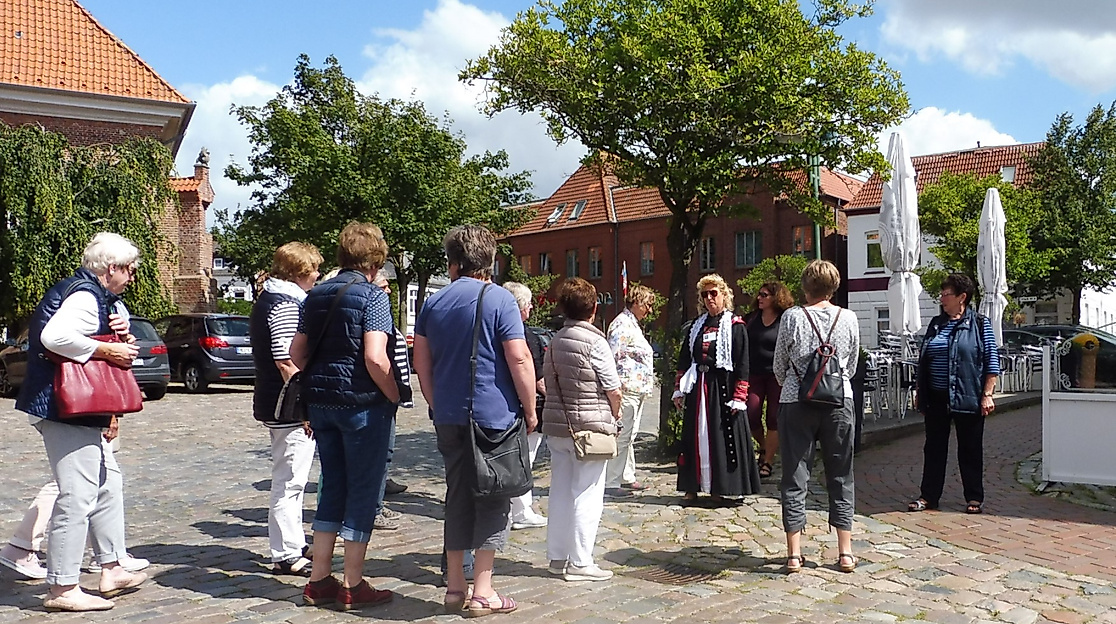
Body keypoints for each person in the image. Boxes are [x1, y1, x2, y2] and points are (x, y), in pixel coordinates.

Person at [14, 232, 149, 611]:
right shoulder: (86, 296)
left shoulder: (92, 295)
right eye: (131, 270)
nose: (132, 278)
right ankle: (63, 588)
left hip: (71, 406)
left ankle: (112, 567)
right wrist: (109, 348)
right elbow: (54, 337)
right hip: (64, 407)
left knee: (104, 484)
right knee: (77, 496)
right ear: (113, 268)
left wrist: (114, 335)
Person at [413, 224, 537, 617]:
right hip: (494, 415)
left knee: (456, 495)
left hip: (449, 414)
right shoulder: (499, 299)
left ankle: (453, 588)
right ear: (490, 259)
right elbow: (518, 358)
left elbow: (421, 362)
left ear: (452, 261)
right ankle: (483, 590)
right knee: (494, 498)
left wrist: (437, 402)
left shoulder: (432, 303)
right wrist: (531, 409)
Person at [291, 222, 400, 611]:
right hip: (361, 404)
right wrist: (395, 394)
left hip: (321, 404)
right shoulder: (373, 297)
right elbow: (375, 356)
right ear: (375, 259)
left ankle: (318, 578)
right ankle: (353, 583)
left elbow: (297, 352)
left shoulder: (316, 295)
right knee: (364, 490)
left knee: (332, 485)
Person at [773, 260, 861, 574]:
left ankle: (794, 554)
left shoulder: (793, 317)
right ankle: (845, 551)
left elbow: (779, 365)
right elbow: (850, 366)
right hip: (839, 402)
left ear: (805, 287)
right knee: (841, 474)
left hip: (797, 402)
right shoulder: (848, 318)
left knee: (795, 476)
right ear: (833, 287)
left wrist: (798, 383)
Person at [249, 242, 322, 577]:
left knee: (291, 478)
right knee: (290, 480)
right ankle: (286, 552)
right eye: (313, 269)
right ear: (299, 272)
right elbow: (285, 360)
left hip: (277, 402)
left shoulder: (272, 299)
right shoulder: (285, 304)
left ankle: (292, 542)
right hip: (286, 406)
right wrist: (305, 404)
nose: (317, 275)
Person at [542, 278, 622, 582]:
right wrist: (615, 417)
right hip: (590, 428)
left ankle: (557, 556)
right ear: (594, 307)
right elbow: (613, 389)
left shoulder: (555, 340)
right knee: (587, 494)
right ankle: (581, 561)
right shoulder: (595, 342)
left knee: (560, 491)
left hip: (558, 427)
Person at [908, 273, 1000, 515]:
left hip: (968, 395)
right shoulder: (936, 324)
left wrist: (987, 394)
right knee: (934, 448)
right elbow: (924, 359)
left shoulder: (980, 324)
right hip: (936, 397)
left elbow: (992, 360)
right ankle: (928, 496)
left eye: (946, 294)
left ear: (962, 297)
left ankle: (974, 497)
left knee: (970, 449)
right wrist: (921, 390)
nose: (942, 298)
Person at [672, 274, 760, 506]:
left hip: (722, 388)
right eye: (705, 294)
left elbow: (743, 363)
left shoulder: (735, 326)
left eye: (714, 293)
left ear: (724, 295)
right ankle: (692, 485)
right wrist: (679, 389)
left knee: (719, 437)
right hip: (697, 386)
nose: (709, 298)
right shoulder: (696, 326)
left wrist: (740, 395)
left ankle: (719, 487)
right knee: (694, 436)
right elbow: (684, 359)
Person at [502, 281, 548, 530]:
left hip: (502, 404)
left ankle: (512, 508)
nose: (530, 307)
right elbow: (535, 375)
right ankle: (519, 509)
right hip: (524, 405)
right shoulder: (524, 334)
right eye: (528, 303)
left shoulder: (494, 329)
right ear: (519, 307)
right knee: (524, 458)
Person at [604, 284, 656, 498]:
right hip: (626, 388)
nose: (649, 310)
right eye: (647, 305)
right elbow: (612, 357)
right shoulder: (621, 325)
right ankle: (611, 482)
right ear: (636, 302)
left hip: (636, 388)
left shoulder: (631, 324)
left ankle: (626, 476)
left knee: (630, 435)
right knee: (622, 435)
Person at [371, 269, 413, 531]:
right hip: (380, 395)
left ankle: (379, 495)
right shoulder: (373, 314)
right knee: (378, 453)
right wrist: (392, 392)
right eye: (385, 286)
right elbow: (377, 358)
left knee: (383, 453)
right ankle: (373, 508)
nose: (388, 291)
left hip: (386, 395)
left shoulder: (381, 313)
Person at [744, 282, 794, 479]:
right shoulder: (751, 319)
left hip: (777, 376)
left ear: (776, 297)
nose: (760, 298)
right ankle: (763, 447)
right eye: (759, 294)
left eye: (764, 295)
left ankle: (768, 461)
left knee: (774, 417)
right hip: (754, 374)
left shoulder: (785, 320)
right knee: (751, 412)